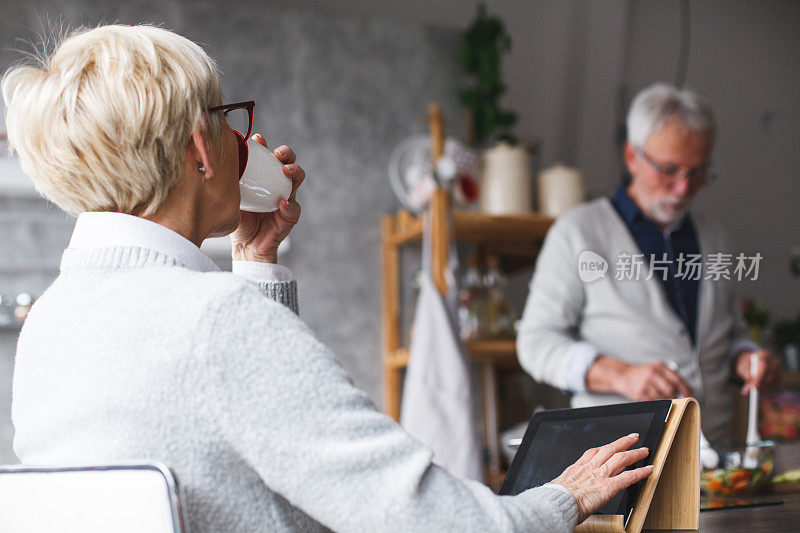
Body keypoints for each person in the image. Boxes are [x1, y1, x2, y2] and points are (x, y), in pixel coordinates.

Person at [3, 24, 652, 533]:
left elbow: (240, 439)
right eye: (230, 118)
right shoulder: (216, 321)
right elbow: (430, 520)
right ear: (202, 150)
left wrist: (255, 261)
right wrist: (562, 498)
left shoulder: (50, 327)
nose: (243, 138)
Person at [517, 83, 780, 448]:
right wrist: (619, 375)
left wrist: (746, 357)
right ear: (631, 157)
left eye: (698, 171)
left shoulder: (714, 237)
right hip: (619, 459)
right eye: (669, 170)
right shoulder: (578, 232)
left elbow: (728, 332)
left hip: (712, 457)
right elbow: (535, 342)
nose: (683, 188)